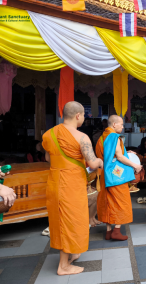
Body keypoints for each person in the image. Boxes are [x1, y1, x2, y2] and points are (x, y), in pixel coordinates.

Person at [42, 101, 103, 276]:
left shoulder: (49, 134)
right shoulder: (82, 137)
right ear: (78, 116)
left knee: (62, 219)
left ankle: (72, 252)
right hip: (71, 184)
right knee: (71, 220)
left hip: (55, 182)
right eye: (84, 115)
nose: (83, 118)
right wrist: (99, 161)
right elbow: (92, 163)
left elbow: (48, 158)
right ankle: (63, 266)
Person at [96, 115, 142, 241]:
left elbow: (109, 154)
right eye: (121, 124)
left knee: (108, 201)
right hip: (116, 175)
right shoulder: (114, 136)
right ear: (114, 124)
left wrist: (127, 152)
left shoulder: (101, 137)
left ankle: (108, 231)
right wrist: (135, 165)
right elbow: (119, 156)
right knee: (121, 201)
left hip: (105, 175)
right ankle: (116, 231)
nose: (123, 127)